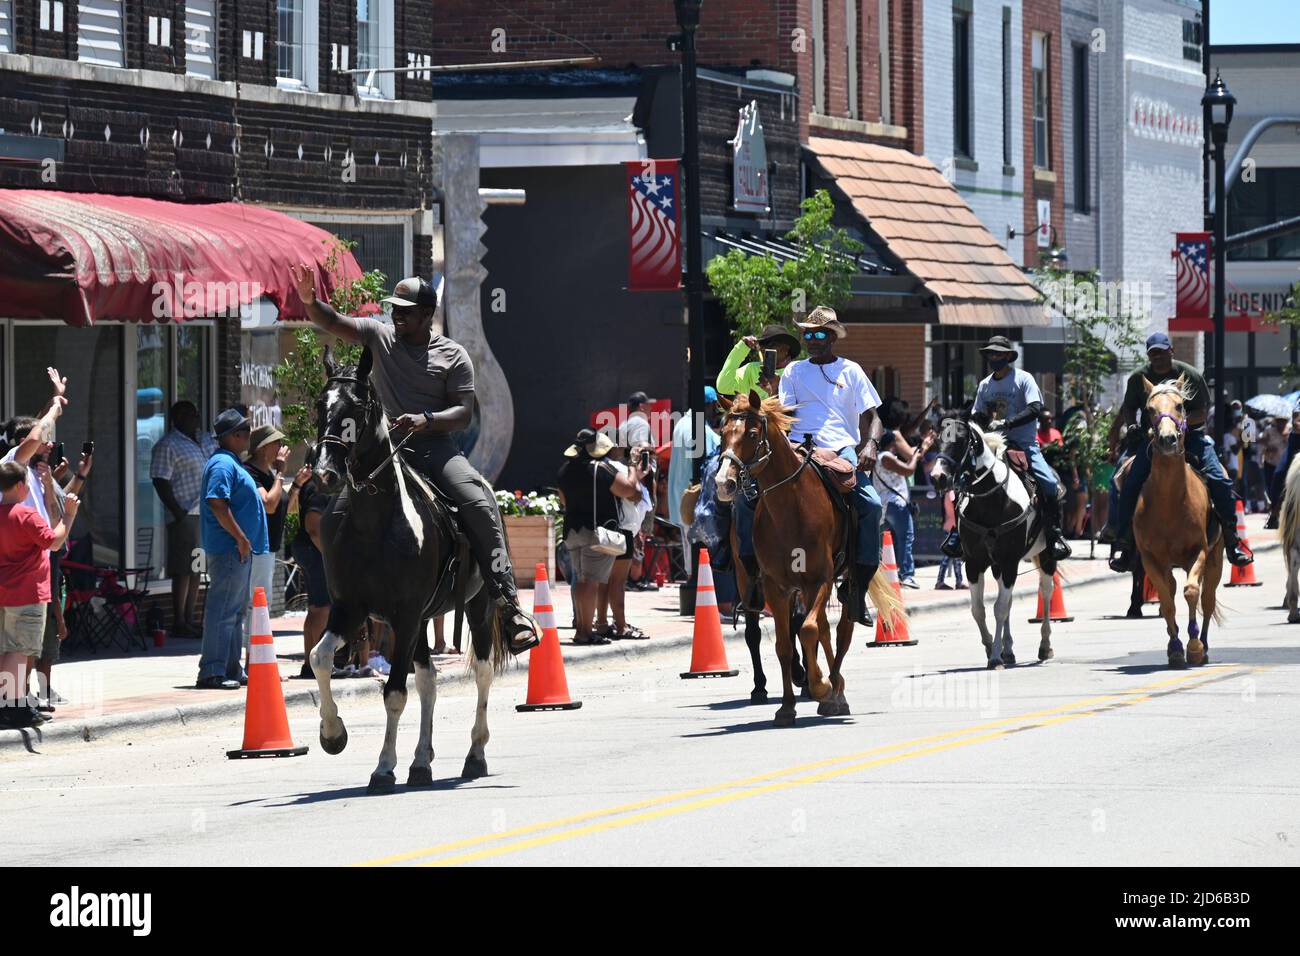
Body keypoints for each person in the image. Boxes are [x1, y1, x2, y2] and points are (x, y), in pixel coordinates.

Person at [290, 266, 538, 655]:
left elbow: (464, 413)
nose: (397, 316)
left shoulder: (453, 355)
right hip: (385, 455)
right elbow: (333, 321)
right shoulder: (378, 336)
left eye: (406, 310)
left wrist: (427, 420)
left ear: (427, 315)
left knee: (477, 501)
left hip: (435, 451)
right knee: (337, 513)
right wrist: (309, 301)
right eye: (395, 309)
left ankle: (508, 605)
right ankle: (347, 599)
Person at [1099, 332, 1251, 571]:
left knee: (1220, 480)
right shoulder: (1139, 377)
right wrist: (1132, 426)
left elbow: (1202, 410)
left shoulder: (1189, 374)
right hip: (1153, 440)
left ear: (1171, 351)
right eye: (1153, 353)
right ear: (1149, 355)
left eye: (1162, 351)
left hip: (1190, 438)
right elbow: (1128, 408)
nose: (1158, 357)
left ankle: (1232, 541)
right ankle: (1124, 542)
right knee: (1127, 482)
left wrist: (1179, 425)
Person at [778, 305, 884, 625]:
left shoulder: (851, 370)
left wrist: (871, 444)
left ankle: (856, 586)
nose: (813, 339)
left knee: (872, 504)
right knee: (751, 494)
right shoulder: (793, 371)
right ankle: (750, 573)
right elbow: (784, 416)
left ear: (833, 337)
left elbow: (874, 418)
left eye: (820, 333)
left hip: (840, 451)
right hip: (799, 448)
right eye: (808, 334)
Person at [943, 336, 1071, 562]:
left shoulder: (1024, 379)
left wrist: (1008, 423)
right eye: (991, 354)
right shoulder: (984, 385)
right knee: (962, 481)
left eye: (999, 354)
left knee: (1050, 484)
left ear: (1008, 356)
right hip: (992, 446)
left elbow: (1034, 408)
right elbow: (976, 415)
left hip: (1024, 445)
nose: (995, 358)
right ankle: (958, 534)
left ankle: (1054, 536)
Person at [716, 325, 801, 604]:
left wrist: (778, 388)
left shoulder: (797, 371)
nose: (772, 352)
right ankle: (742, 558)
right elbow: (723, 386)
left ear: (789, 351)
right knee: (735, 497)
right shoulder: (751, 371)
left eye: (779, 348)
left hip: (792, 444)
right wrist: (741, 348)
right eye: (766, 347)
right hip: (754, 450)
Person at [1, 461, 78, 729]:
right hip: (27, 592)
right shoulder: (25, 514)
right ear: (21, 485)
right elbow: (55, 541)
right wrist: (68, 515)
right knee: (18, 651)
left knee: (7, 649)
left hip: (4, 592)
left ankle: (13, 705)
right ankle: (10, 708)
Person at [196, 409, 267, 690]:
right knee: (223, 611)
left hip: (236, 549)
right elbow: (216, 502)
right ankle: (211, 672)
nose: (248, 436)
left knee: (234, 612)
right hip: (229, 549)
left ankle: (230, 669)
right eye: (244, 432)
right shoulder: (222, 465)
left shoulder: (231, 463)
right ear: (232, 436)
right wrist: (239, 537)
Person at [557, 428, 647, 645]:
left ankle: (582, 627)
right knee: (590, 582)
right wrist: (634, 467)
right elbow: (629, 490)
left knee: (581, 580)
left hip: (571, 531)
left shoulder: (565, 471)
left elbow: (563, 501)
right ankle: (585, 633)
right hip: (596, 533)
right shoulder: (602, 468)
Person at [150, 401, 218, 639]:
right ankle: (179, 620)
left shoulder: (208, 439)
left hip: (206, 513)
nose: (193, 417)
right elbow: (160, 480)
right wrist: (177, 511)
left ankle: (191, 618)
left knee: (197, 567)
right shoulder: (168, 445)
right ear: (175, 418)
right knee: (183, 569)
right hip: (185, 514)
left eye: (195, 413)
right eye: (187, 414)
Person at [242, 424, 299, 656]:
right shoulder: (251, 473)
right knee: (255, 604)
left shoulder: (269, 474)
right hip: (256, 547)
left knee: (260, 604)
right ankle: (251, 658)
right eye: (277, 443)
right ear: (264, 448)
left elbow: (289, 508)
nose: (282, 448)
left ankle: (256, 658)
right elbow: (269, 504)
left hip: (269, 546)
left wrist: (295, 486)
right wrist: (281, 473)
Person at [593, 442, 652, 640]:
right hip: (621, 530)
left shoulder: (597, 467)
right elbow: (634, 494)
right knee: (617, 581)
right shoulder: (619, 468)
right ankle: (621, 625)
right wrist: (634, 466)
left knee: (603, 580)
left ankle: (601, 622)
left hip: (603, 528)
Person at [667, 387, 720, 578]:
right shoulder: (699, 429)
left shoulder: (682, 423)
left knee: (692, 557)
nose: (716, 411)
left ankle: (696, 589)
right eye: (715, 406)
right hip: (697, 501)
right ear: (709, 405)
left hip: (683, 500)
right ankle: (699, 596)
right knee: (701, 557)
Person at [874, 429, 933, 589]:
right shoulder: (885, 457)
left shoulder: (884, 457)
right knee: (905, 538)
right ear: (893, 444)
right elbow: (909, 469)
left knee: (886, 541)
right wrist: (915, 456)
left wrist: (924, 446)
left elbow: (915, 457)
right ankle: (907, 575)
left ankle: (885, 575)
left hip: (887, 505)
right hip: (895, 504)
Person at [290, 466, 333, 679]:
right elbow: (313, 527)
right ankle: (319, 665)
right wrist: (330, 556)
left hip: (305, 549)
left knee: (315, 608)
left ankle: (310, 664)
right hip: (314, 551)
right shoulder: (318, 489)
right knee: (323, 608)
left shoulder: (311, 486)